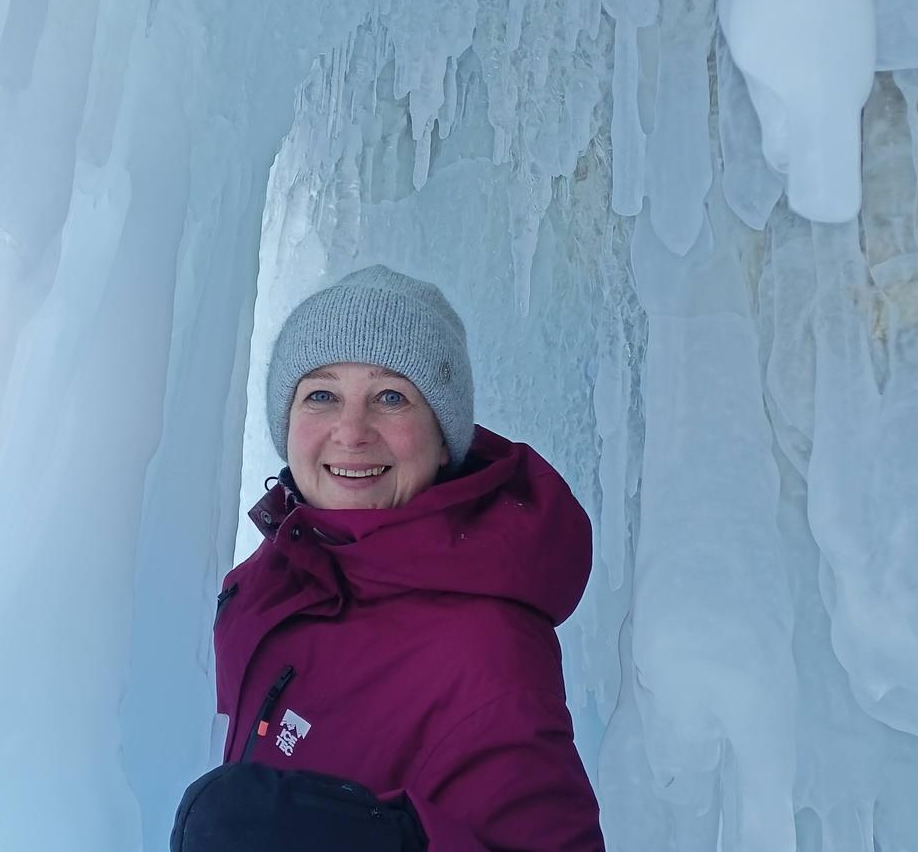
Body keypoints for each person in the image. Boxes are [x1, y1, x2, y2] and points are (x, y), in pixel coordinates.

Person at [177, 265, 604, 851]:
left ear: (442, 435)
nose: (351, 432)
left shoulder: (486, 654)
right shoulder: (274, 577)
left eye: (391, 397)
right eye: (321, 394)